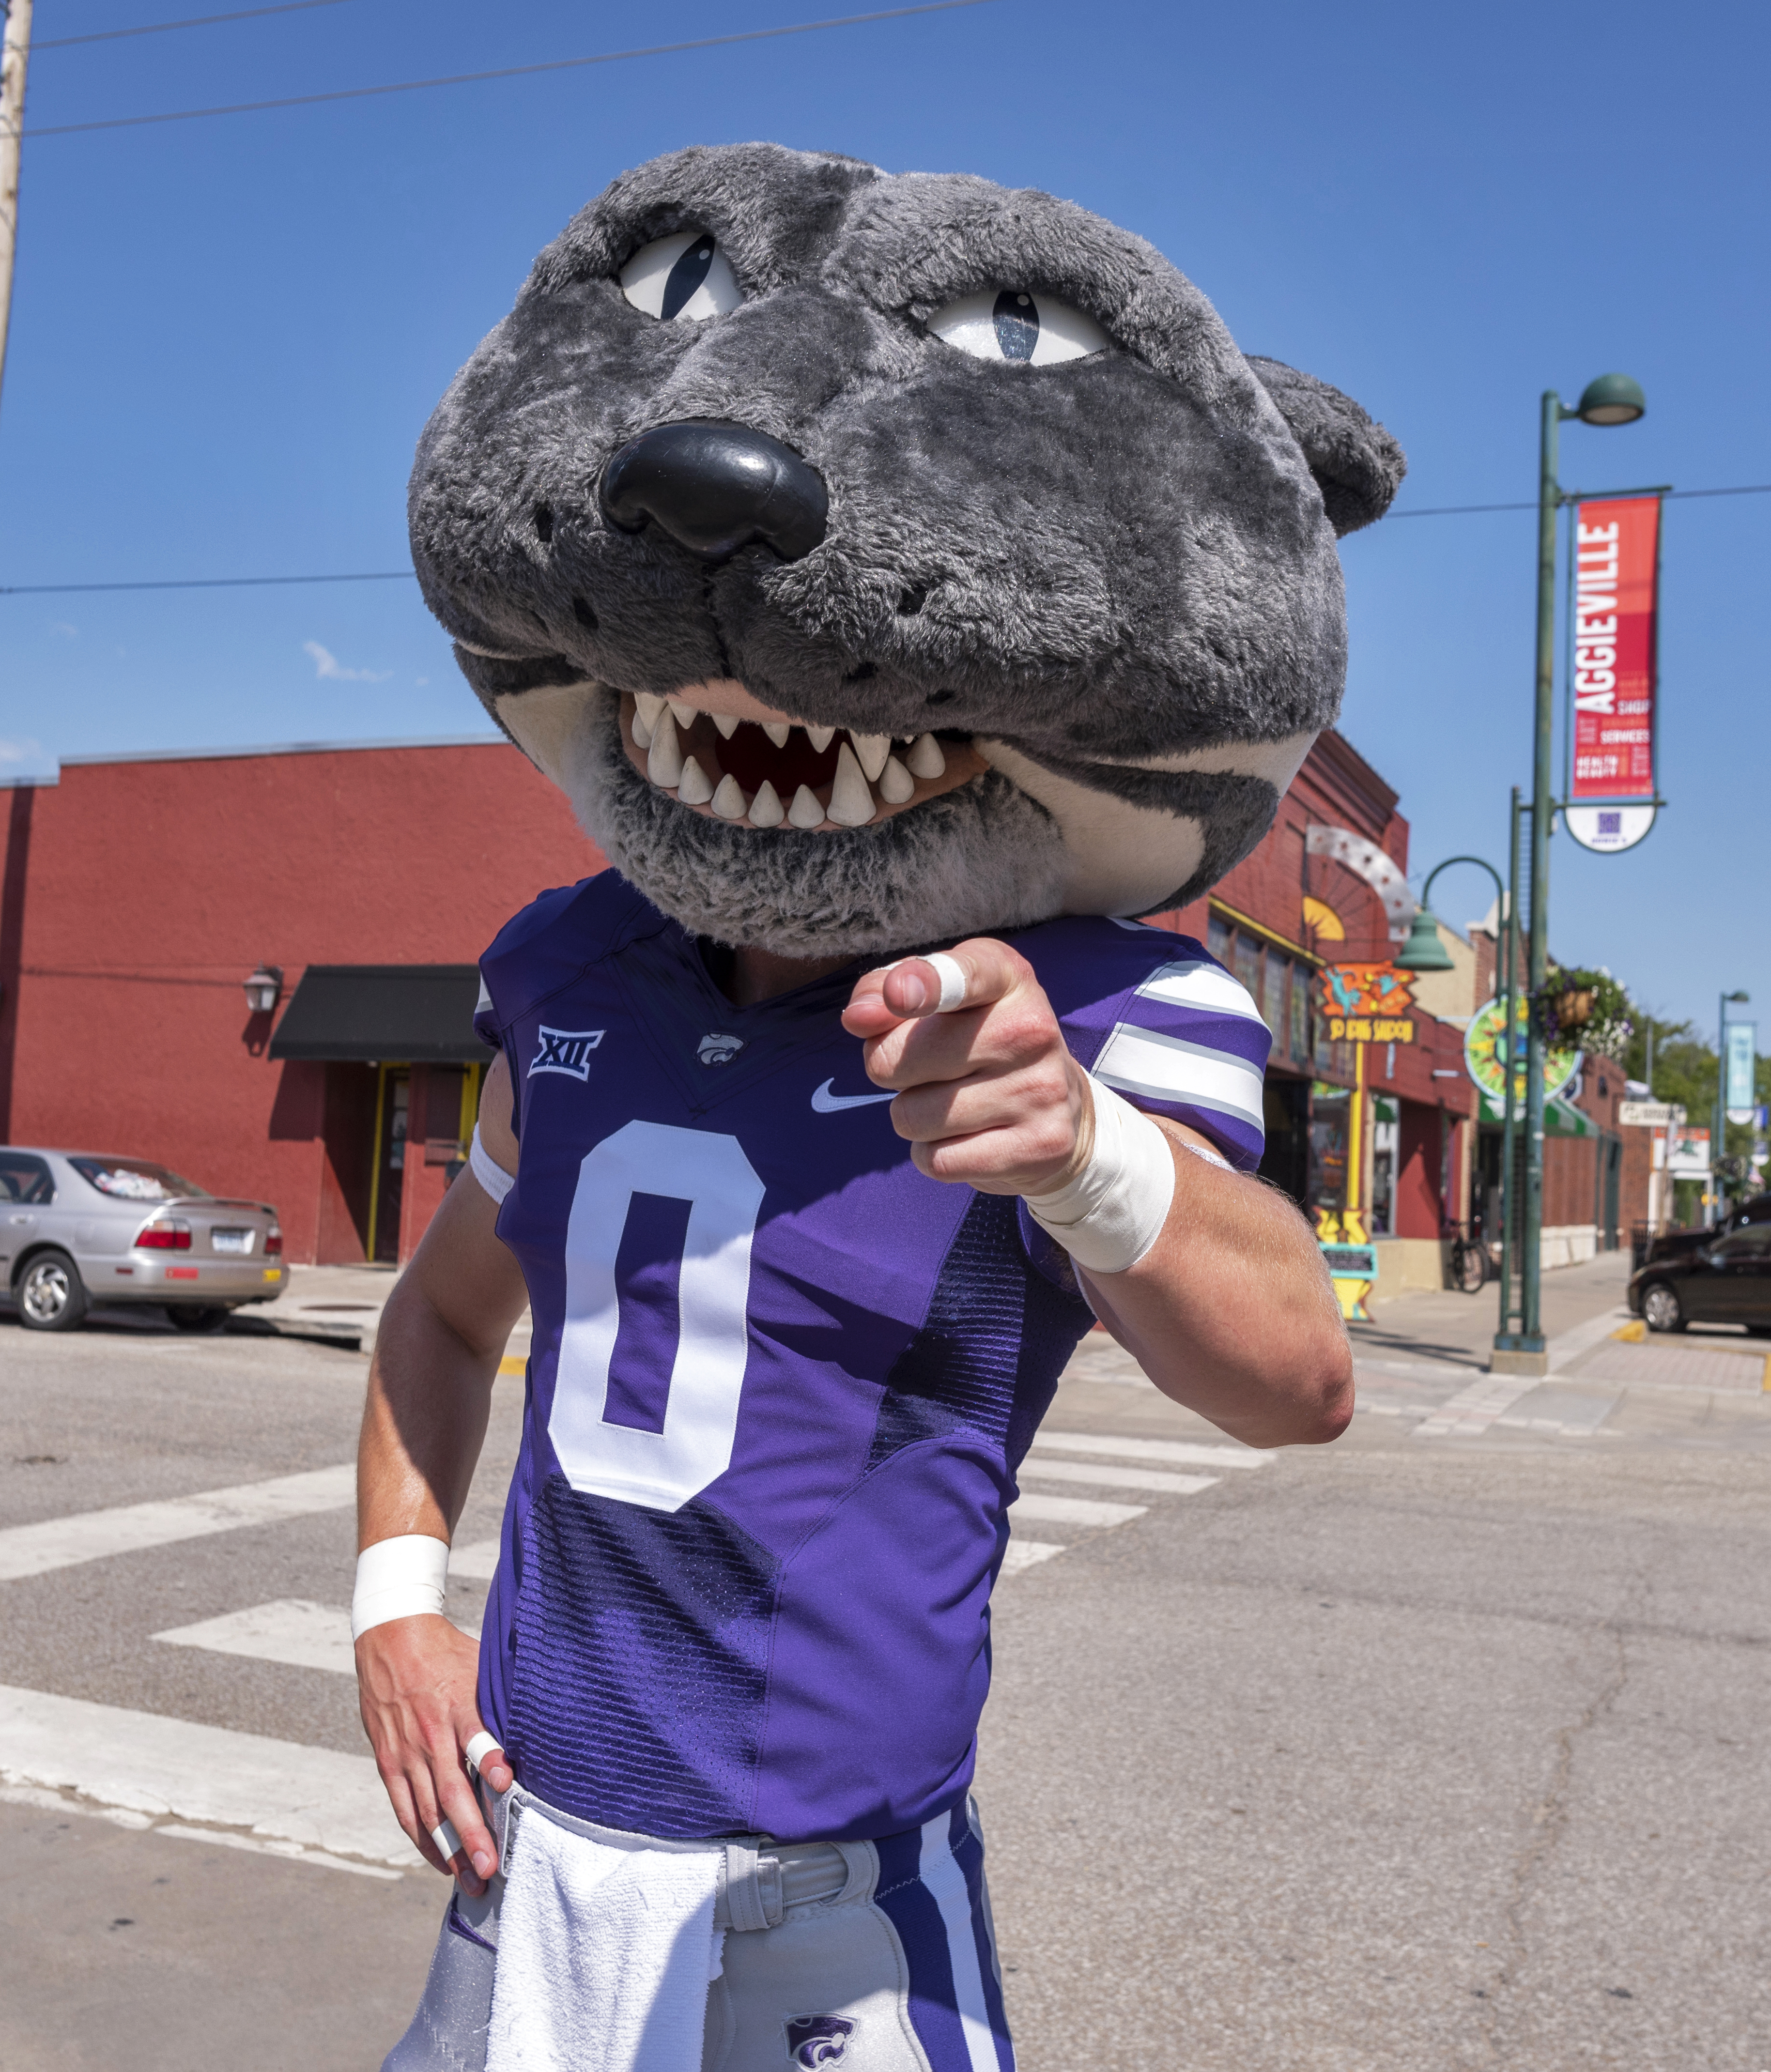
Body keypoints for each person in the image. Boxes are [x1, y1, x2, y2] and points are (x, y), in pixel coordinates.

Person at [355, 142, 1402, 2072]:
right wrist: (393, 1606)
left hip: (824, 1896)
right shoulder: (570, 963)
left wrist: (1083, 1148)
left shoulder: (1104, 1001)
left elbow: (1299, 1377)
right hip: (527, 1859)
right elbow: (438, 1309)